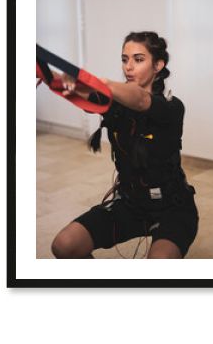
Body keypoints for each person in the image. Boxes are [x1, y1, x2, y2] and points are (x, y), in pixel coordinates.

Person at [51, 31, 199, 259]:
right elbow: (81, 95)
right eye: (124, 59)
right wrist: (52, 77)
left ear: (158, 65)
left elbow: (140, 100)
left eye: (138, 60)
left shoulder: (172, 107)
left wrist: (102, 84)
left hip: (174, 208)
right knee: (64, 245)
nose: (128, 67)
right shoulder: (115, 102)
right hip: (131, 205)